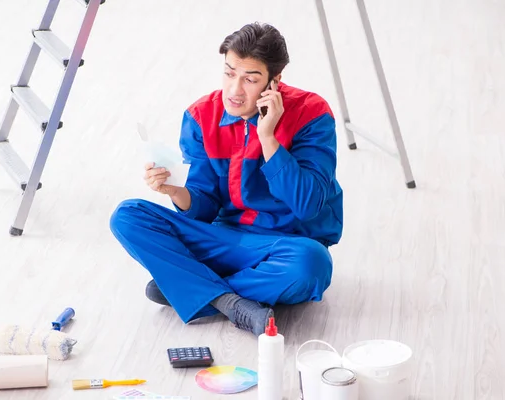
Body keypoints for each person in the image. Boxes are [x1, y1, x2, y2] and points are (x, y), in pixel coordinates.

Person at [110, 22, 343, 337]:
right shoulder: (201, 116)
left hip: (284, 245)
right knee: (128, 216)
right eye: (229, 73)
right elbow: (203, 209)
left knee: (312, 264)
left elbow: (307, 205)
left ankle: (190, 286)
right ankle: (227, 301)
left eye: (250, 79)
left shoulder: (312, 114)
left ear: (275, 81)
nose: (234, 90)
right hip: (223, 241)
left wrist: (268, 138)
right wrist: (176, 190)